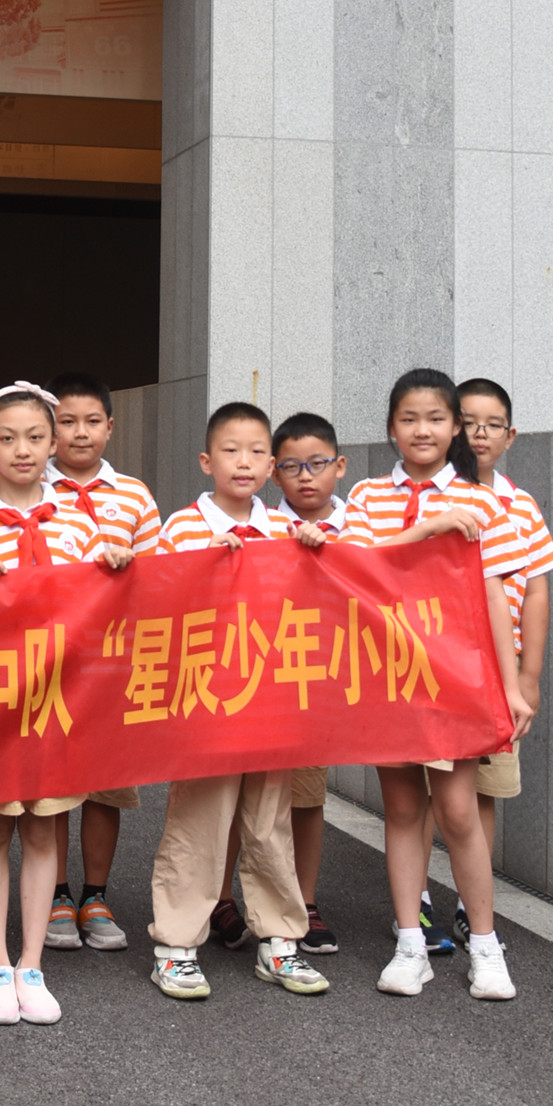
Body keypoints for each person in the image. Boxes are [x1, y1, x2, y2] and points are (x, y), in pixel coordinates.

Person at [0, 382, 130, 1026]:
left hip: (56, 700)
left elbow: (102, 604)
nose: (24, 450)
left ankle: (32, 962)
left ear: (52, 445)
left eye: (36, 438)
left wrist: (113, 564)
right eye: (8, 438)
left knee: (43, 826)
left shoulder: (80, 521)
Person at [343, 369, 535, 1002]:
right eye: (407, 418)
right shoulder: (368, 496)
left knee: (457, 812)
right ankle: (409, 945)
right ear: (391, 427)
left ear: (455, 427)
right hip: (389, 674)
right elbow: (355, 568)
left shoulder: (485, 501)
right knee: (401, 810)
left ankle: (486, 948)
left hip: (456, 680)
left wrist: (511, 689)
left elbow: (494, 598)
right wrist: (426, 530)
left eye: (434, 418)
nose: (421, 430)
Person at [147, 404, 329, 1004]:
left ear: (271, 466)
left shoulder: (285, 531)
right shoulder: (180, 527)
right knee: (200, 821)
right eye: (231, 450)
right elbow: (155, 601)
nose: (244, 462)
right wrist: (201, 566)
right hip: (205, 703)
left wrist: (312, 550)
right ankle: (176, 947)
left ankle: (279, 939)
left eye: (256, 452)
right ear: (206, 461)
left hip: (271, 703)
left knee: (270, 822)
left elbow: (315, 607)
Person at [43, 371, 162, 955]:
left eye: (92, 422)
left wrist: (130, 569)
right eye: (66, 422)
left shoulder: (135, 496)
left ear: (111, 427)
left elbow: (163, 576)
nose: (79, 433)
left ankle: (95, 894)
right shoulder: (32, 492)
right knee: (54, 784)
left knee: (105, 787)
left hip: (115, 664)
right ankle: (56, 895)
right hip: (49, 666)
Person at [450, 376, 553, 938]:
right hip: (443, 661)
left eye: (492, 424)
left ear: (510, 435)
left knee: (485, 789)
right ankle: (418, 900)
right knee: (426, 793)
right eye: (468, 422)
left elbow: (536, 590)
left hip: (500, 665)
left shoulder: (518, 504)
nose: (479, 433)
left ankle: (474, 903)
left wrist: (529, 676)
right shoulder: (439, 495)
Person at [257, 409, 353, 955]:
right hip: (267, 677)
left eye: (317, 463)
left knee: (306, 797)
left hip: (323, 680)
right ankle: (227, 899)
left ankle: (304, 900)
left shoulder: (359, 527)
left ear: (339, 466)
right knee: (247, 794)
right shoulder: (265, 527)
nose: (306, 476)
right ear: (275, 474)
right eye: (292, 466)